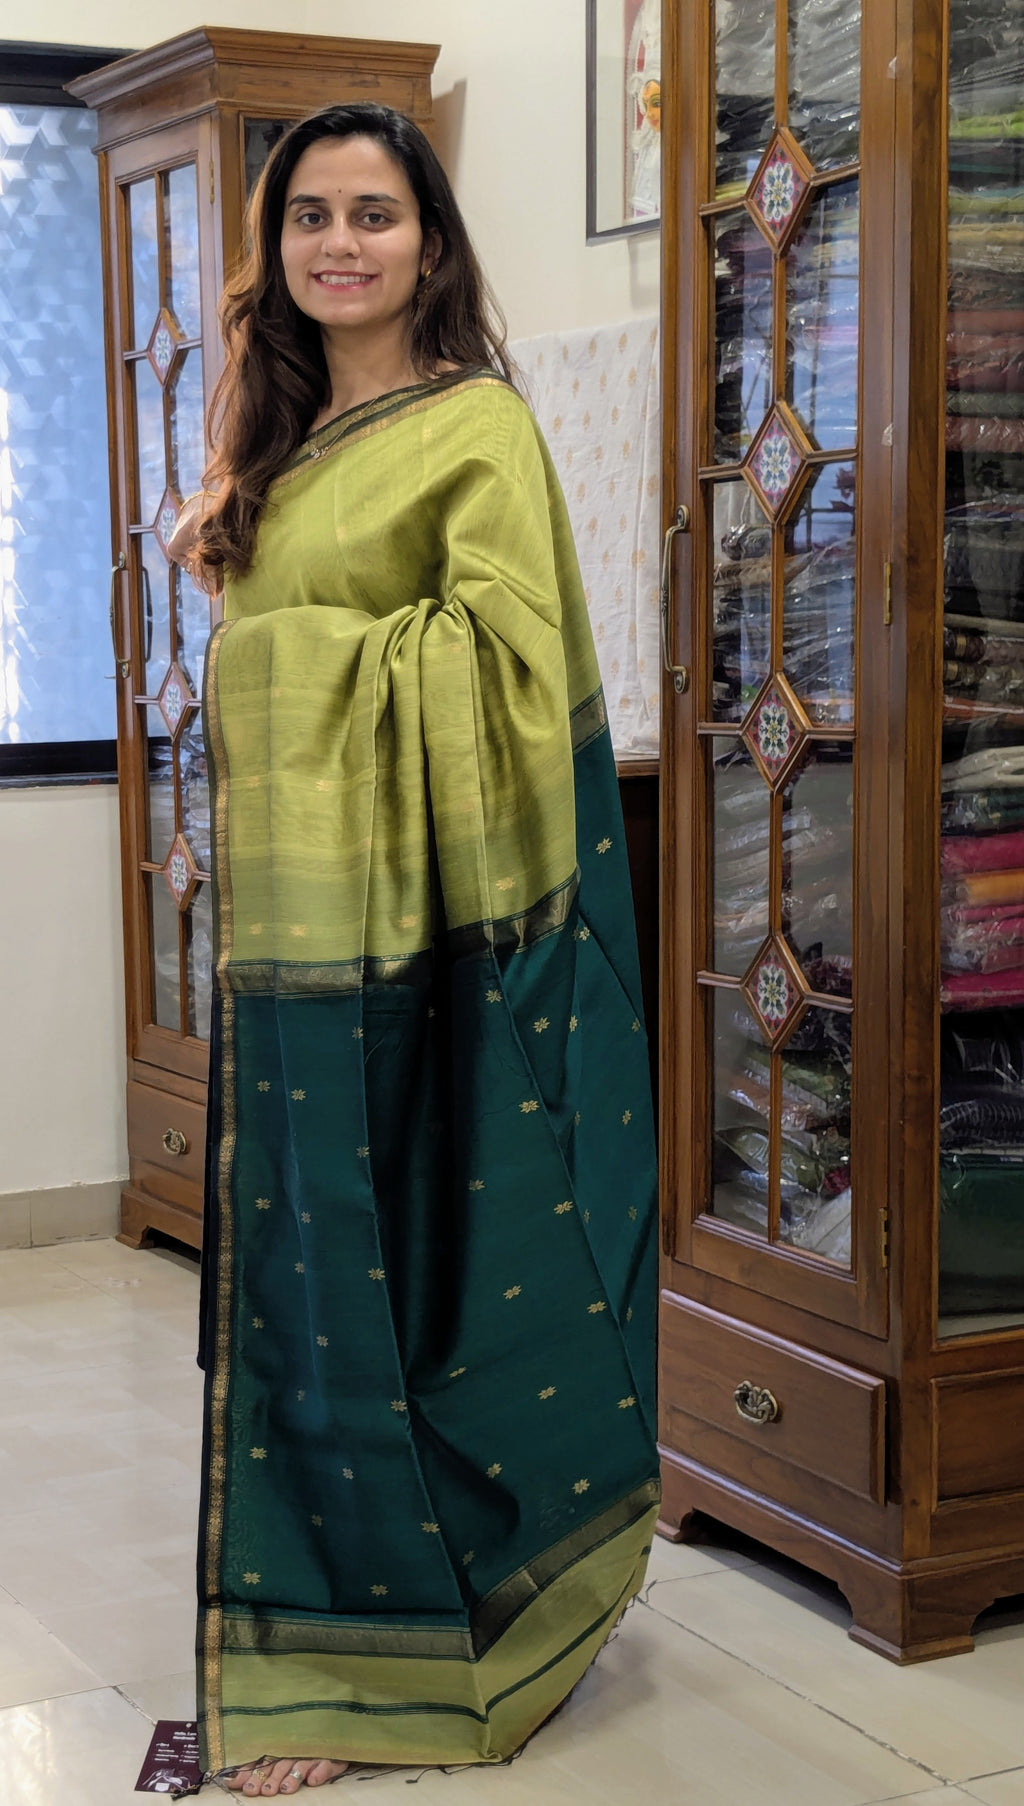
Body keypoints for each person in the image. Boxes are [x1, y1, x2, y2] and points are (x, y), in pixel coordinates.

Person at [174, 101, 659, 1797]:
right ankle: (329, 1627)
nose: (339, 243)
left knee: (435, 1260)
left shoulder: (479, 431)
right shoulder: (282, 441)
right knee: (311, 1277)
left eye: (373, 213)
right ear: (279, 248)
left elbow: (503, 674)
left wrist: (274, 668)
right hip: (312, 947)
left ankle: (463, 1588)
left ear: (430, 242)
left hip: (451, 948)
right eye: (309, 216)